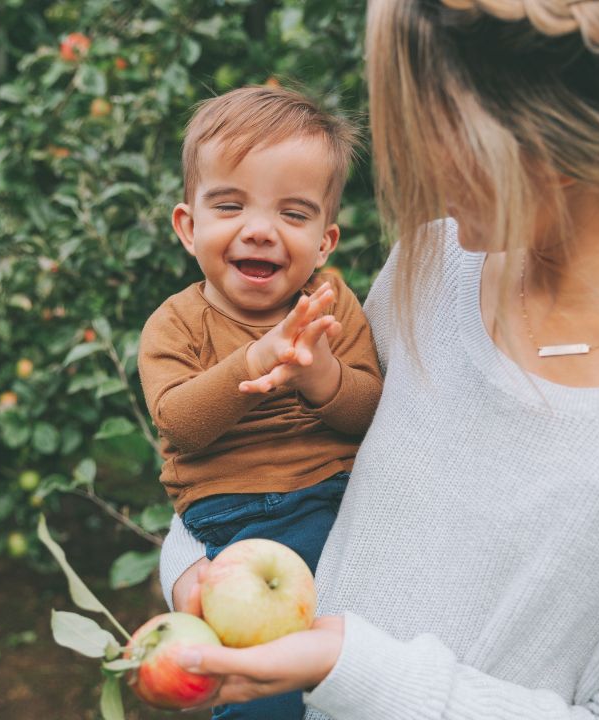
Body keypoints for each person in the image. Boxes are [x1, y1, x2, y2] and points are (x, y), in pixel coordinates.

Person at [155, 1, 599, 718]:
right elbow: (283, 459)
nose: (411, 164)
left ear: (541, 131)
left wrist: (360, 674)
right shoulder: (435, 266)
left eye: (428, 126)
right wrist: (196, 571)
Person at [137, 85, 383, 719]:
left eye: (293, 215)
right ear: (188, 228)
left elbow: (369, 415)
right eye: (230, 205)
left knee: (352, 664)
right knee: (260, 686)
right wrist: (251, 361)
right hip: (233, 518)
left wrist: (321, 375)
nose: (260, 230)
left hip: (334, 500)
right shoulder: (176, 325)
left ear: (325, 242)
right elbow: (179, 425)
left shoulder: (331, 307)